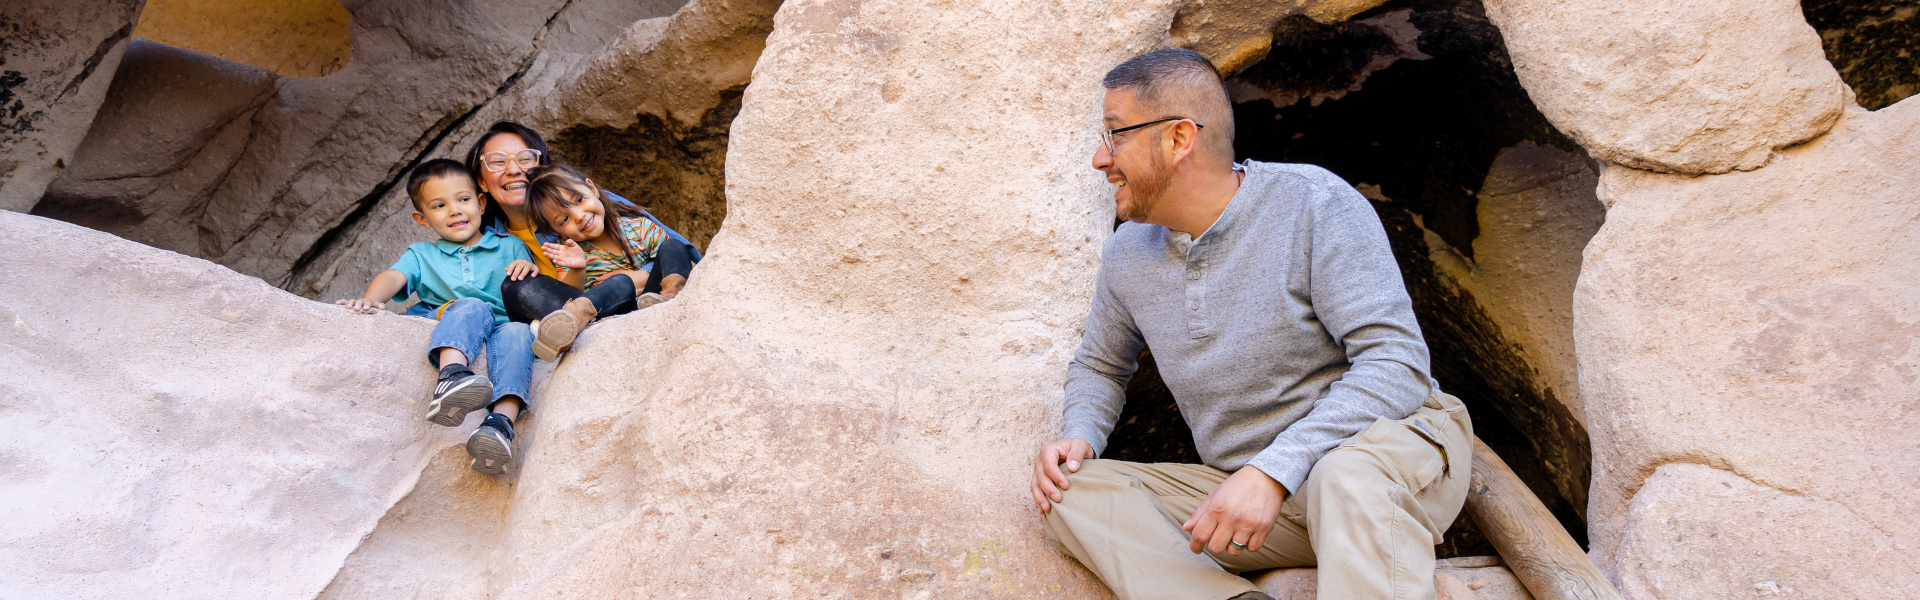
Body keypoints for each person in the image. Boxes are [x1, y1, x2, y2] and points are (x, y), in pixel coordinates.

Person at [1030, 49, 1474, 600]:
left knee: (1345, 475)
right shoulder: (1128, 254)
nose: (1101, 158)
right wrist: (1080, 434)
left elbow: (1398, 363)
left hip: (1384, 463)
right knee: (1072, 494)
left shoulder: (1314, 203)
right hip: (1255, 500)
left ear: (1178, 139)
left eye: (1115, 134)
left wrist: (1272, 471)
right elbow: (1101, 364)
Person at [335, 159, 538, 476]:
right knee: (472, 305)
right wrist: (370, 301)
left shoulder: (510, 246)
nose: (455, 211)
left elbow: (530, 287)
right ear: (422, 218)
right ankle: (452, 377)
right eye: (439, 205)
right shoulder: (422, 254)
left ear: (481, 203)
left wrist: (529, 271)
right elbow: (393, 276)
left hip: (502, 324)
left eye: (464, 199)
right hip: (450, 317)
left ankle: (499, 425)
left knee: (518, 333)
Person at [464, 121, 703, 360]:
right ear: (481, 182)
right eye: (497, 161)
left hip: (635, 296)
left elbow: (682, 252)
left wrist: (640, 275)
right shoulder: (487, 242)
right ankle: (561, 328)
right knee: (517, 285)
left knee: (621, 282)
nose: (514, 169)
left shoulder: (595, 205)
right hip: (574, 308)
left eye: (525, 158)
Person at [521, 164, 699, 310]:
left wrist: (641, 276)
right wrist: (577, 269)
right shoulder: (569, 251)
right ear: (557, 231)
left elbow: (688, 264)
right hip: (615, 313)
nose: (579, 216)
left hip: (659, 301)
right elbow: (566, 300)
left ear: (591, 188)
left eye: (579, 200)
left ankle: (672, 298)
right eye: (564, 219)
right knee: (619, 283)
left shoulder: (638, 227)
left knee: (673, 246)